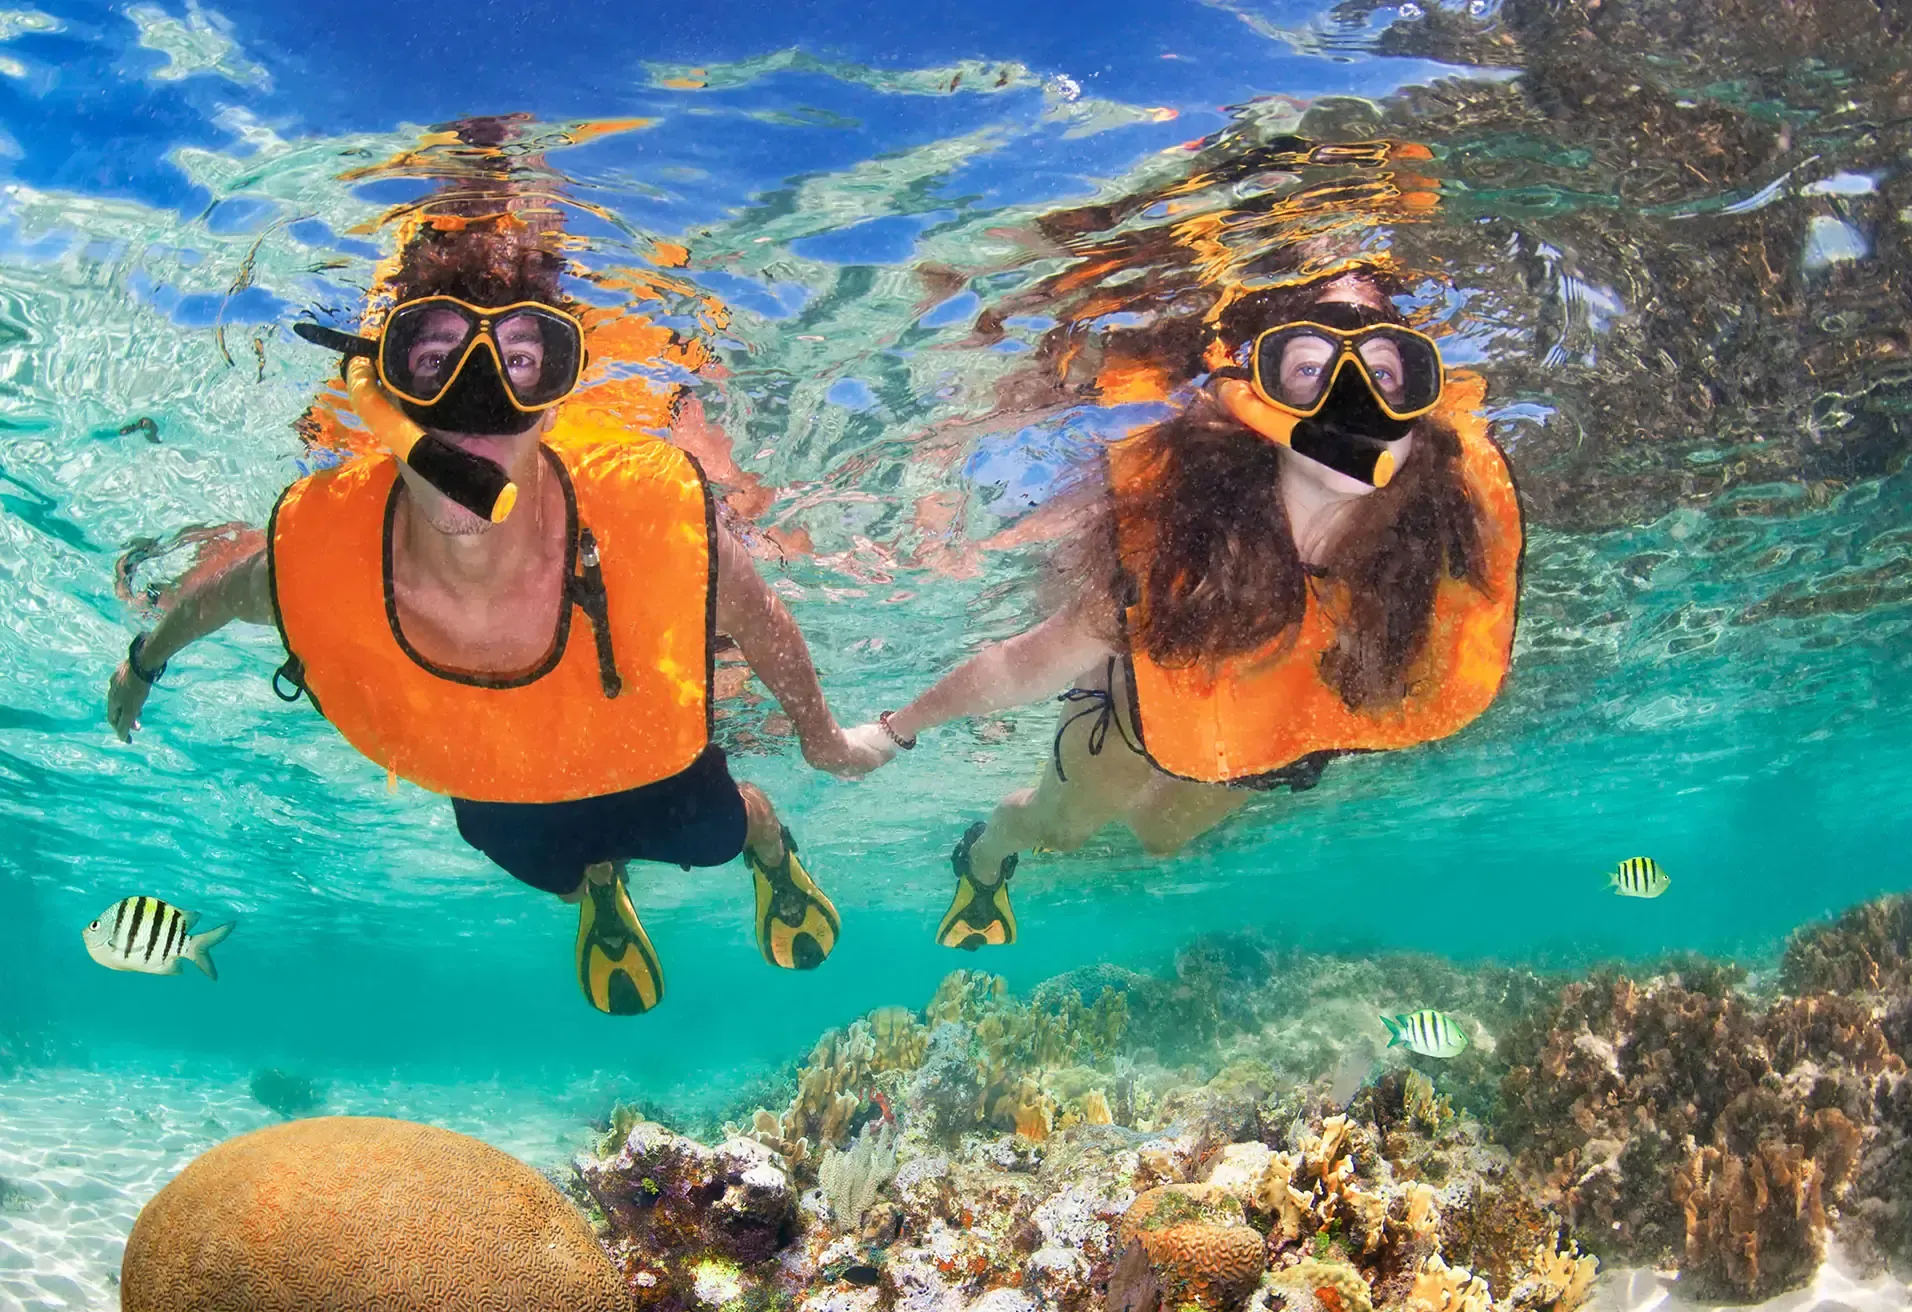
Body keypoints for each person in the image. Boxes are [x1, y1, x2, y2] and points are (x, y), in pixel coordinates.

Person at [105, 214, 890, 1014]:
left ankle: (767, 842)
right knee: (550, 872)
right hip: (497, 777)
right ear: (392, 398)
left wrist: (821, 739)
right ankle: (597, 888)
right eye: (434, 358)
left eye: (521, 361)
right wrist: (142, 663)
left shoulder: (658, 532)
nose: (476, 402)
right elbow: (211, 599)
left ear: (553, 404)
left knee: (718, 836)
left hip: (639, 750)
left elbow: (762, 621)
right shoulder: (315, 561)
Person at [862, 268, 1523, 950]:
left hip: (1260, 740)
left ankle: (1096, 880)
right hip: (1139, 709)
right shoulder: (1195, 535)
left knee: (1159, 837)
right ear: (1258, 400)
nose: (1351, 403)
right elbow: (1023, 665)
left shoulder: (1433, 546)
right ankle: (986, 855)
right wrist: (895, 729)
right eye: (1309, 370)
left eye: (1383, 378)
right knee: (1061, 829)